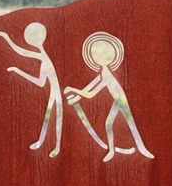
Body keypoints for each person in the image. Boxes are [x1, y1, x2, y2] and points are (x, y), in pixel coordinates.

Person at [64, 32, 154, 162]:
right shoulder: (103, 72)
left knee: (130, 123)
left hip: (121, 100)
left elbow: (90, 94)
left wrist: (74, 90)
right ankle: (113, 151)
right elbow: (90, 87)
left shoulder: (106, 74)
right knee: (110, 124)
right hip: (117, 101)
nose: (97, 58)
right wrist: (77, 92)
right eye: (95, 55)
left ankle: (141, 149)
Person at [0, 23, 62, 157]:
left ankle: (57, 147)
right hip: (54, 90)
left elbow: (21, 53)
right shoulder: (43, 55)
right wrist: (7, 39)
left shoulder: (44, 55)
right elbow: (40, 81)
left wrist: (18, 70)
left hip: (58, 91)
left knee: (56, 117)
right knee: (51, 116)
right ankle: (44, 143)